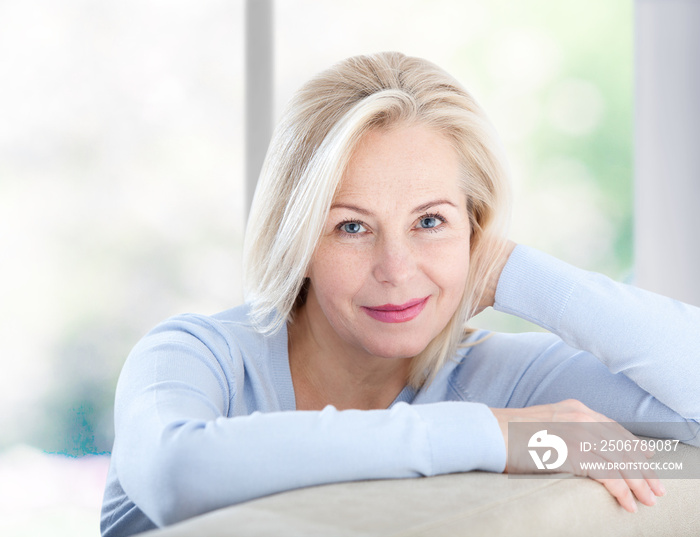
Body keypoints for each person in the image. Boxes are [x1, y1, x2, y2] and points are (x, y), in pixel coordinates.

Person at [100, 52, 700, 537]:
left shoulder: (507, 378)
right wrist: (491, 435)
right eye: (351, 227)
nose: (395, 268)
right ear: (300, 240)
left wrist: (517, 272)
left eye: (431, 221)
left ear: (475, 225)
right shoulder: (193, 356)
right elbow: (179, 474)